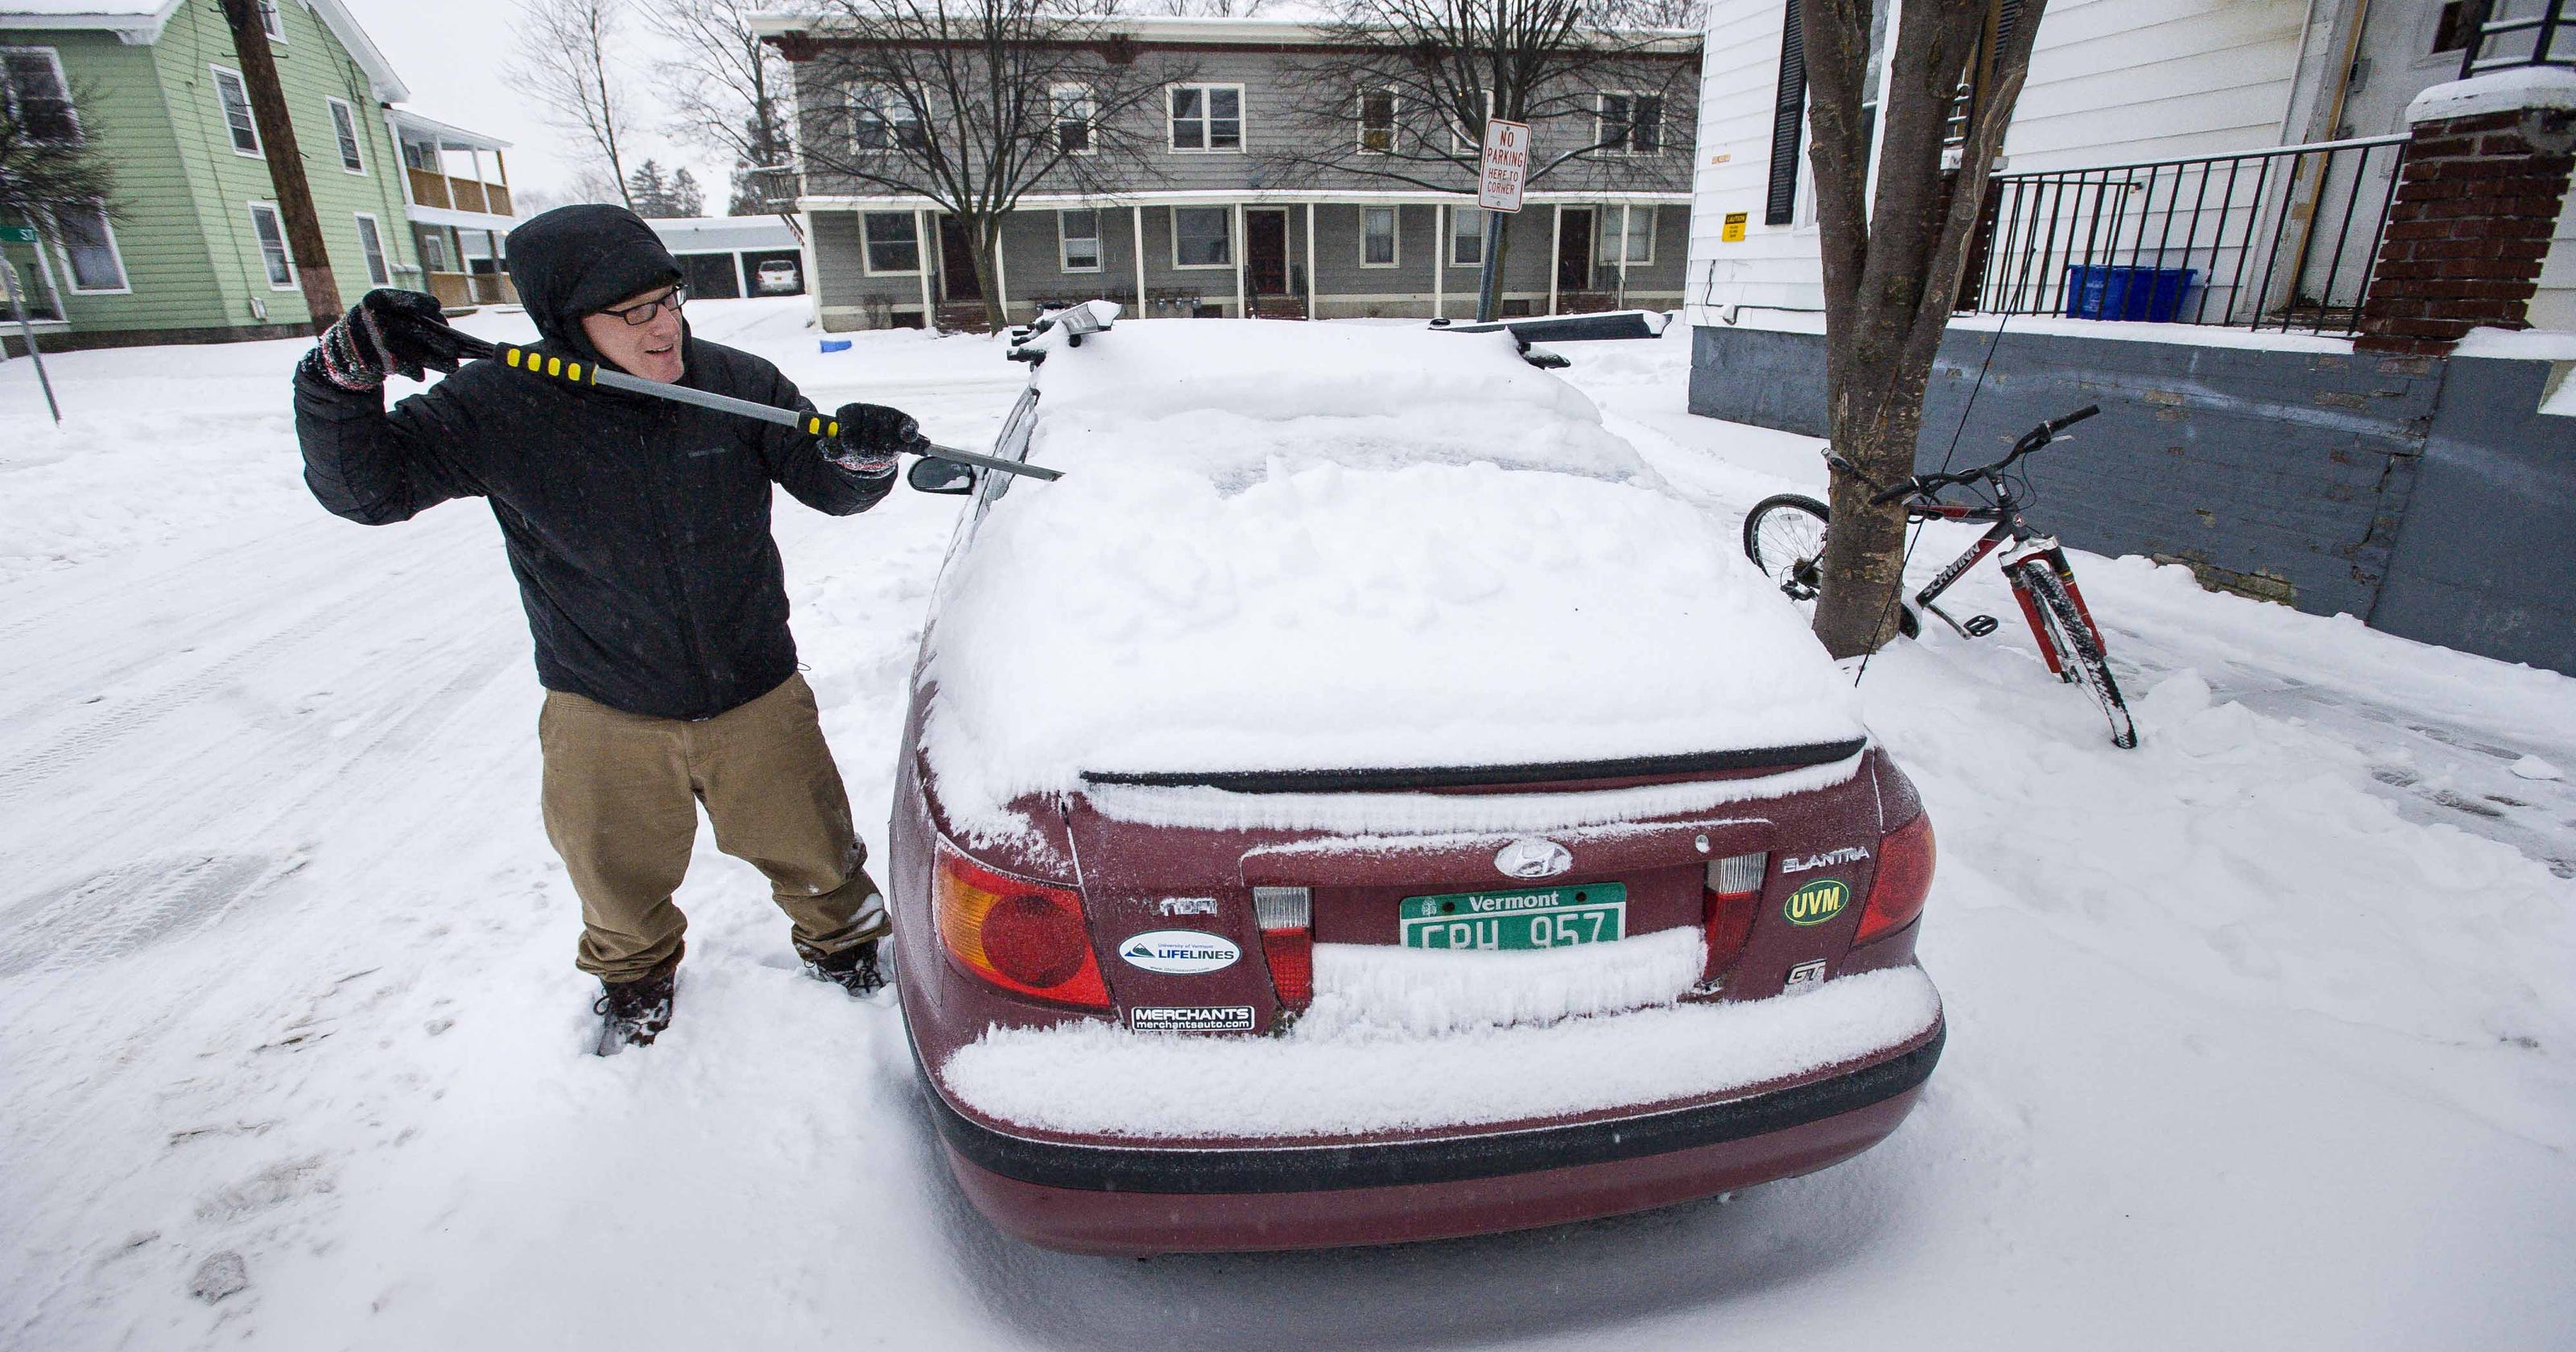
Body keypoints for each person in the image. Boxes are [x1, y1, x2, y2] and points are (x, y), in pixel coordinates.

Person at [292, 204, 929, 1053]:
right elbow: (367, 491)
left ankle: (847, 952)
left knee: (817, 855)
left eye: (667, 298)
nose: (663, 324)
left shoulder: (733, 384)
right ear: (565, 321)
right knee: (614, 881)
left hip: (755, 693)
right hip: (603, 707)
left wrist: (861, 456)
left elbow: (829, 484)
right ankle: (635, 981)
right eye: (632, 312)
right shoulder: (498, 404)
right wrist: (338, 377)